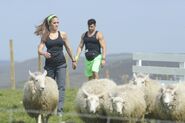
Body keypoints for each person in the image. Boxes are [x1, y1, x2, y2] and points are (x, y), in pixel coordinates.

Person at [34, 14, 76, 116]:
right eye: (54, 23)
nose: (57, 24)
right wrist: (44, 53)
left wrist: (73, 60)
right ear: (50, 24)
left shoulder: (63, 34)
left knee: (61, 87)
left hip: (61, 64)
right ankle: (49, 109)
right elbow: (39, 49)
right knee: (48, 88)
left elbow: (68, 48)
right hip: (49, 67)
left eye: (58, 22)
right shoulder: (45, 35)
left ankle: (59, 111)